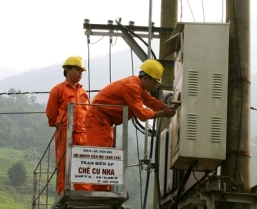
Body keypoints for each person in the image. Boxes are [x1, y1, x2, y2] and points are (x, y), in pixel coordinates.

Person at [85, 59, 176, 191]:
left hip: (104, 121)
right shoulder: (132, 87)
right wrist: (163, 113)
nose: (155, 86)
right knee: (100, 154)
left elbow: (150, 101)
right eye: (154, 82)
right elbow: (142, 114)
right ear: (145, 78)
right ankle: (97, 191)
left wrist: (166, 106)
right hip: (97, 119)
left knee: (104, 154)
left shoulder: (138, 86)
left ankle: (102, 189)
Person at [46, 56, 91, 196]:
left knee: (82, 166)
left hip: (82, 134)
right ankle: (62, 197)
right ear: (67, 70)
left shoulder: (83, 92)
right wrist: (61, 126)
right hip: (65, 132)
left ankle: (82, 196)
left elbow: (88, 112)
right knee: (64, 167)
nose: (80, 73)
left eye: (81, 71)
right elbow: (51, 114)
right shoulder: (58, 90)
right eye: (77, 70)